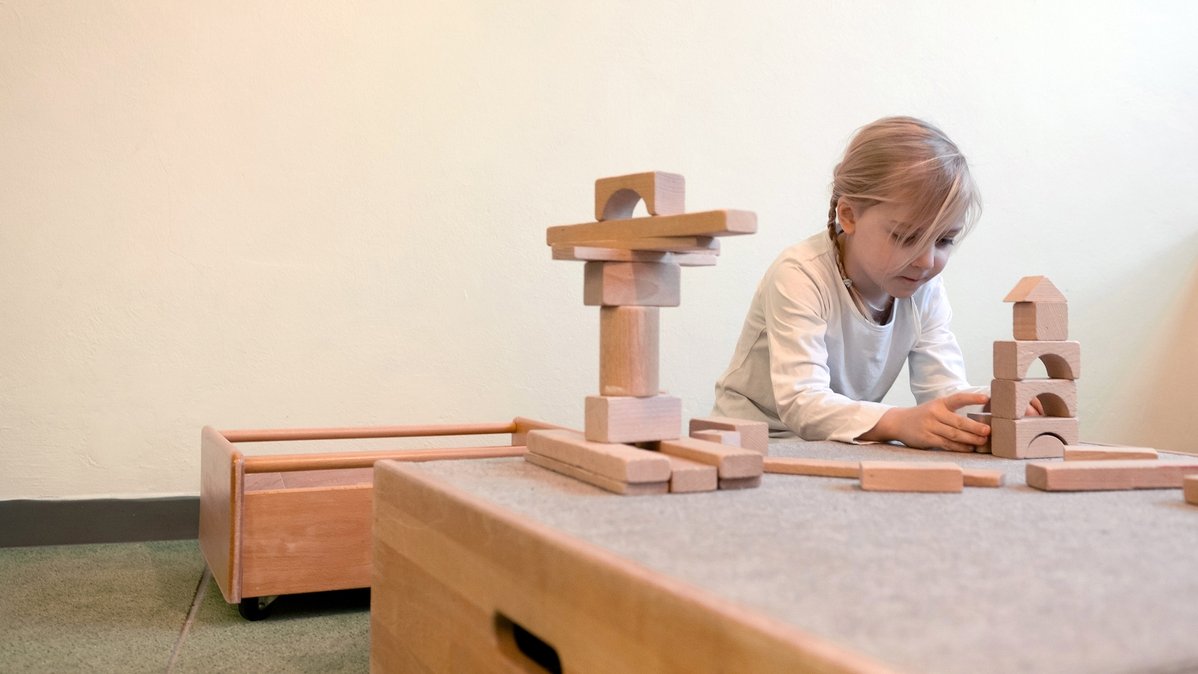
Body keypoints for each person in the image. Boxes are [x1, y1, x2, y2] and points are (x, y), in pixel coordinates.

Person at [712, 116, 996, 452]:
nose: (926, 261)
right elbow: (802, 401)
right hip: (750, 441)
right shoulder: (801, 273)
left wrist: (988, 414)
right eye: (906, 237)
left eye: (945, 240)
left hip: (836, 444)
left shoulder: (925, 289)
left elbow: (946, 391)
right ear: (849, 216)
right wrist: (900, 422)